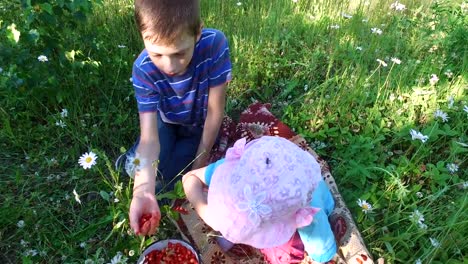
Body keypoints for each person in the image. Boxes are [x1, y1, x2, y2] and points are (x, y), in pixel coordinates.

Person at [124, 0, 232, 236]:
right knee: (152, 181)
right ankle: (133, 161)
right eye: (157, 54)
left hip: (199, 126)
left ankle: (136, 162)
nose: (169, 65)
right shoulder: (143, 69)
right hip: (167, 122)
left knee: (176, 182)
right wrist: (142, 192)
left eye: (179, 53)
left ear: (197, 32)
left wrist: (199, 164)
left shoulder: (215, 45)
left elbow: (215, 111)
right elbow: (149, 138)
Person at [182, 136, 337, 263]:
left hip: (306, 206)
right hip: (275, 166)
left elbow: (323, 253)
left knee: (284, 254)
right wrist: (203, 209)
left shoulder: (306, 213)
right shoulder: (236, 167)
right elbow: (189, 178)